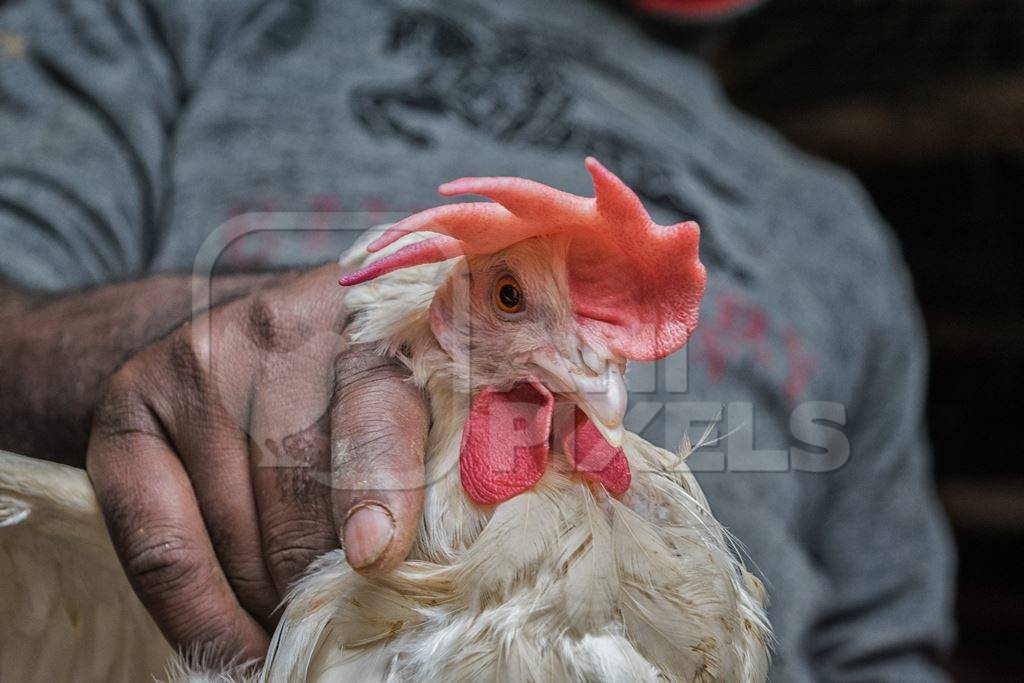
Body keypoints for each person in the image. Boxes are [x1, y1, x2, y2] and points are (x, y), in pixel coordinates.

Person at [0, 0, 954, 679]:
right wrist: (149, 357)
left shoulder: (842, 232)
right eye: (505, 294)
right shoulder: (205, 13)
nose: (601, 371)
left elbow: (883, 647)